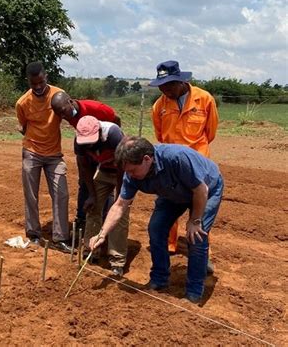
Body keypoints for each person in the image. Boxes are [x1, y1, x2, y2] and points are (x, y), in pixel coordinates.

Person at [90, 137, 224, 304]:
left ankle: (194, 292)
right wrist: (102, 234)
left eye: (132, 171)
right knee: (156, 228)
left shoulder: (177, 157)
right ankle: (159, 279)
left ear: (147, 159)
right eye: (127, 172)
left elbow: (200, 189)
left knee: (196, 236)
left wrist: (195, 220)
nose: (130, 175)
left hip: (206, 189)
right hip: (172, 193)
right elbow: (120, 204)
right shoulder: (132, 174)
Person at [150, 60, 219, 272]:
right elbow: (160, 136)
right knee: (168, 206)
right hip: (172, 166)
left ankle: (199, 254)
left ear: (181, 81)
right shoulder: (159, 106)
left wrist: (194, 154)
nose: (164, 90)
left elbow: (211, 131)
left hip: (199, 163)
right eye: (161, 86)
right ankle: (169, 245)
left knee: (199, 211)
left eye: (169, 85)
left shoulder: (204, 99)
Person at [16, 61, 72, 253]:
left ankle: (60, 238)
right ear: (29, 82)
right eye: (34, 84)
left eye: (41, 82)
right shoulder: (23, 103)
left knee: (61, 193)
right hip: (32, 152)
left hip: (55, 154)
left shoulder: (59, 95)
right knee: (31, 195)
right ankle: (33, 234)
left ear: (46, 76)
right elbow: (24, 126)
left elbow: (71, 114)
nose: (38, 87)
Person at [51, 91, 120, 231]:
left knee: (105, 182)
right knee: (84, 180)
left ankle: (106, 218)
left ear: (70, 101)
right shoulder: (67, 113)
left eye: (64, 112)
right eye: (60, 115)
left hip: (105, 147)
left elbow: (116, 120)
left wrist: (111, 146)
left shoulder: (96, 108)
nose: (63, 117)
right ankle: (82, 218)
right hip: (86, 148)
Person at [74, 116, 129, 277]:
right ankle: (91, 251)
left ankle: (117, 261)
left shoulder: (113, 134)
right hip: (104, 171)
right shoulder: (79, 141)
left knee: (121, 215)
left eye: (92, 140)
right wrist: (91, 195)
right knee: (93, 208)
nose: (89, 145)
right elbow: (85, 167)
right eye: (86, 142)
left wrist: (120, 198)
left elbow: (122, 168)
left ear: (98, 131)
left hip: (123, 172)